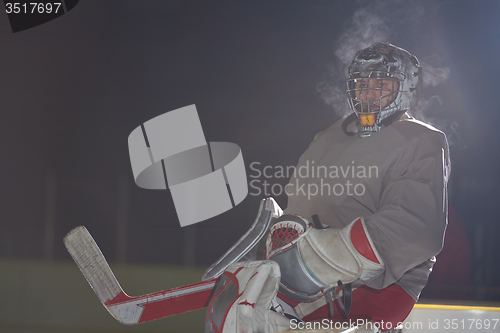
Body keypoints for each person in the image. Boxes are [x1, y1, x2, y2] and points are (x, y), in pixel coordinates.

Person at [205, 42, 450, 333]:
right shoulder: (331, 135)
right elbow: (307, 205)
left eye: (381, 84)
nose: (368, 93)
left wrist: (313, 261)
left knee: (251, 323)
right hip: (308, 281)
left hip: (372, 287)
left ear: (406, 88)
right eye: (361, 83)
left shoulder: (420, 140)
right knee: (235, 318)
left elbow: (412, 226)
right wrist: (282, 243)